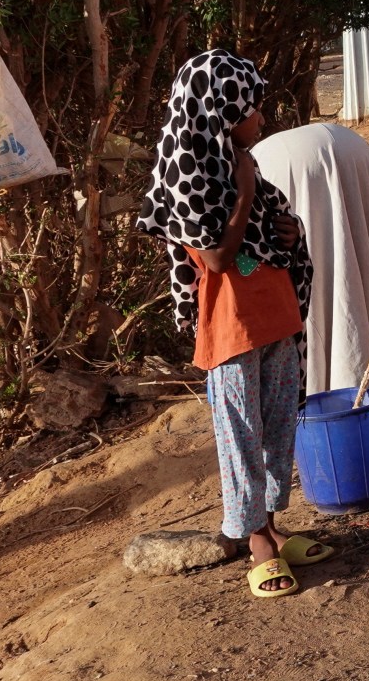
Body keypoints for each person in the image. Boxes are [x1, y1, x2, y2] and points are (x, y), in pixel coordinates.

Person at [138, 51, 332, 598]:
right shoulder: (189, 167)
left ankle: (272, 523)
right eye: (254, 106)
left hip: (272, 309)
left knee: (276, 422)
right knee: (239, 432)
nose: (262, 118)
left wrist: (285, 228)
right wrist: (246, 194)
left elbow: (271, 225)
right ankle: (254, 539)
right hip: (229, 321)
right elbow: (218, 257)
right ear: (223, 106)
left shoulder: (230, 155)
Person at [251, 122, 369, 401]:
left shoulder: (253, 161)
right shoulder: (353, 143)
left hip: (290, 163)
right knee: (359, 256)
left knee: (312, 269)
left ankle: (318, 388)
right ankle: (368, 382)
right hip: (352, 150)